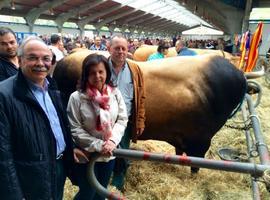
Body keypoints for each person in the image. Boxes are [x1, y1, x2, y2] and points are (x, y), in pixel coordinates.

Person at [0, 36, 86, 200]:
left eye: (46, 58)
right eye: (32, 58)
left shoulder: (51, 87)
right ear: (20, 60)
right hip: (29, 175)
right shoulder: (4, 95)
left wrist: (69, 148)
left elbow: (59, 125)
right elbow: (3, 156)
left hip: (57, 167)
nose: (40, 63)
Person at [67, 54, 128, 200]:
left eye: (101, 71)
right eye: (92, 73)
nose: (97, 76)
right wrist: (99, 145)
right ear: (85, 75)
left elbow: (122, 119)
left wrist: (112, 141)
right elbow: (75, 128)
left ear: (107, 72)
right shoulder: (76, 97)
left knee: (101, 193)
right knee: (87, 193)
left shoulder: (115, 94)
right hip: (88, 155)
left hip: (108, 155)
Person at [107, 35, 146, 190]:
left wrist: (140, 120)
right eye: (117, 48)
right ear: (109, 49)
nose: (121, 52)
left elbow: (141, 96)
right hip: (103, 121)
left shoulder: (135, 69)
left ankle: (118, 180)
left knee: (123, 152)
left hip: (125, 121)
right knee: (105, 151)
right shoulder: (101, 67)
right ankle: (103, 177)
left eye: (124, 48)